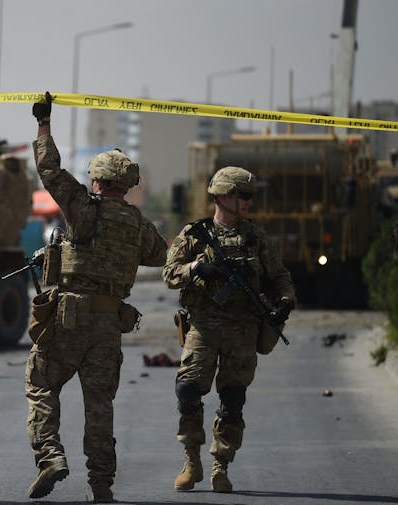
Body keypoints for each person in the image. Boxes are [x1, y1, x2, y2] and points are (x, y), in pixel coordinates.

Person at [25, 92, 168, 503]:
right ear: (128, 184)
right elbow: (160, 256)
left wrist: (44, 124)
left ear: (98, 180)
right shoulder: (139, 223)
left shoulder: (84, 208)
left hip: (69, 318)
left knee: (40, 384)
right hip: (109, 325)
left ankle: (50, 456)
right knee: (100, 405)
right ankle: (102, 486)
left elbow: (49, 169)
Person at [162, 166, 295, 493]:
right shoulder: (195, 234)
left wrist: (285, 300)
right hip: (204, 326)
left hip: (243, 329)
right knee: (188, 391)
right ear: (223, 196)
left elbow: (279, 276)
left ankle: (221, 465)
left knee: (233, 400)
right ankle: (191, 461)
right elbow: (169, 273)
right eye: (243, 195)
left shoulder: (256, 238)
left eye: (251, 196)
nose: (249, 202)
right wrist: (195, 268)